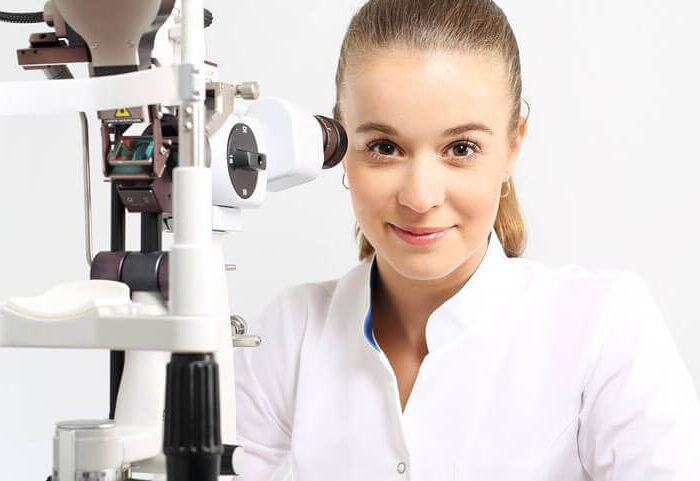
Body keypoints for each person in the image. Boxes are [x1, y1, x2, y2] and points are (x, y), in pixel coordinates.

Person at [233, 0, 700, 479]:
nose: (420, 196)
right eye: (384, 147)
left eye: (461, 148)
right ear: (339, 145)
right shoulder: (287, 336)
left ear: (512, 147)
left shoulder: (605, 329)